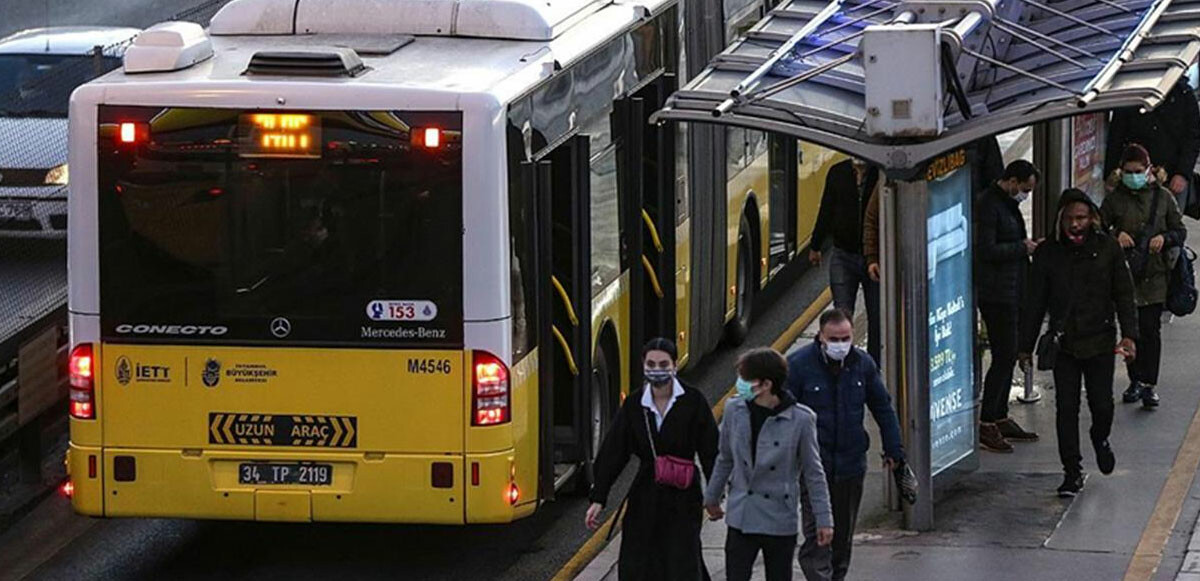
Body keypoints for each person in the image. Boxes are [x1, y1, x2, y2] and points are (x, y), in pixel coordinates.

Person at [1020, 189, 1139, 497]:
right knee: (1066, 408)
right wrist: (1025, 347)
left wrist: (1129, 335)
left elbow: (1124, 295)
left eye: (1082, 218)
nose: (1076, 224)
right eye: (1070, 219)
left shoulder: (1108, 248)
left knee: (1102, 404)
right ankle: (1071, 470)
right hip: (1065, 343)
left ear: (1092, 218)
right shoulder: (1048, 254)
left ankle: (1100, 437)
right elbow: (1035, 302)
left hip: (1100, 340)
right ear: (1061, 219)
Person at [787, 308, 906, 581]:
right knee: (818, 532)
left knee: (842, 536)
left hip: (851, 465)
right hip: (814, 467)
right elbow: (783, 414)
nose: (840, 345)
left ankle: (836, 575)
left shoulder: (862, 364)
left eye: (845, 338)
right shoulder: (799, 366)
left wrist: (893, 448)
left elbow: (882, 407)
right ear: (820, 337)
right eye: (834, 339)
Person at [585, 338, 719, 581]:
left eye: (663, 363)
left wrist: (714, 494)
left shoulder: (693, 401)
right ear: (643, 365)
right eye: (651, 364)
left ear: (675, 365)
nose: (657, 369)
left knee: (682, 558)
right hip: (645, 493)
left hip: (684, 495)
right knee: (638, 559)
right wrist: (598, 498)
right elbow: (615, 450)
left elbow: (711, 450)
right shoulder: (635, 404)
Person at [704, 348, 834, 581]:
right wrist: (712, 497)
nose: (739, 384)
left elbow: (814, 474)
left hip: (779, 519)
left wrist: (824, 521)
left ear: (765, 384)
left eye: (745, 379)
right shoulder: (735, 410)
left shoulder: (801, 420)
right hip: (742, 516)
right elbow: (724, 458)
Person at [1100, 144, 1187, 408]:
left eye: (1138, 171)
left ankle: (1149, 383)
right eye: (1128, 171)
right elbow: (1099, 229)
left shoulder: (1163, 198)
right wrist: (1116, 235)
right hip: (1124, 276)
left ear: (1149, 169)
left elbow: (1179, 231)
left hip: (1155, 274)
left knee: (1151, 331)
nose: (1133, 176)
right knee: (1131, 330)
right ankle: (1134, 379)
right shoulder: (1115, 200)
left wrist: (1164, 237)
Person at [975, 160, 1042, 452]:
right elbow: (986, 249)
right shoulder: (989, 205)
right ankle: (987, 421)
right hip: (996, 293)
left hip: (1010, 289)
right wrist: (1022, 248)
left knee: (1008, 354)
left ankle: (999, 416)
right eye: (1024, 189)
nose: (1025, 195)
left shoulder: (1004, 203)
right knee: (1003, 357)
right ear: (1012, 181)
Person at [809, 157, 884, 364]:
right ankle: (843, 364)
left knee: (877, 317)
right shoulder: (837, 173)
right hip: (843, 254)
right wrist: (816, 245)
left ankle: (873, 367)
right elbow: (826, 208)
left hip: (876, 259)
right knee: (842, 314)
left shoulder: (881, 173)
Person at [1105, 78, 1200, 211]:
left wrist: (1182, 173)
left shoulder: (1183, 94)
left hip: (1171, 174)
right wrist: (1111, 173)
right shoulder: (1132, 94)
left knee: (1169, 220)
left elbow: (1193, 138)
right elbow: (1116, 136)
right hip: (1134, 173)